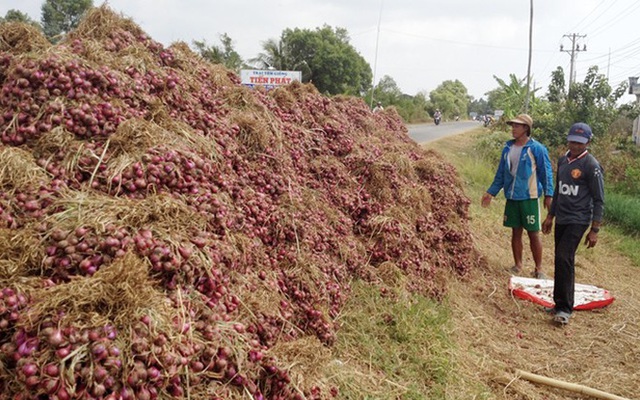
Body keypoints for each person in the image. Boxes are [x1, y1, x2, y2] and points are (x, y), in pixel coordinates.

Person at [542, 122, 604, 326]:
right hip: (562, 217)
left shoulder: (591, 166)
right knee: (561, 259)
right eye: (572, 141)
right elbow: (559, 191)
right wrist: (550, 216)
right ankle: (559, 302)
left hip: (579, 220)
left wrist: (594, 230)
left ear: (588, 142)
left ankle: (565, 309)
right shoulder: (563, 160)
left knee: (564, 257)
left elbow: (598, 199)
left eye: (580, 143)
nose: (575, 146)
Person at [481, 114, 554, 279]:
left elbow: (546, 172)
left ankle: (539, 269)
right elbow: (501, 173)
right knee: (516, 231)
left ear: (526, 129)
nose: (513, 129)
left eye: (517, 126)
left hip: (530, 196)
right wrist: (491, 192)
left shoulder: (536, 149)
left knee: (533, 232)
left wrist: (549, 195)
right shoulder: (508, 149)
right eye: (512, 126)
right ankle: (518, 264)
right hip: (512, 197)